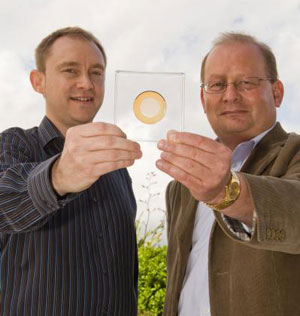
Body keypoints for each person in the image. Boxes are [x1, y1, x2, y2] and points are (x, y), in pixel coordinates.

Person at [0, 27, 142, 316]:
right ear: (38, 81)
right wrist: (58, 177)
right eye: (70, 70)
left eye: (96, 73)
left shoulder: (118, 171)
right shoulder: (14, 144)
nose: (86, 83)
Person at [156, 32, 300, 316]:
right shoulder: (180, 187)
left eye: (246, 82)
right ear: (203, 98)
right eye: (218, 85)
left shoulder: (294, 152)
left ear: (277, 92)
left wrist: (227, 192)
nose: (230, 95)